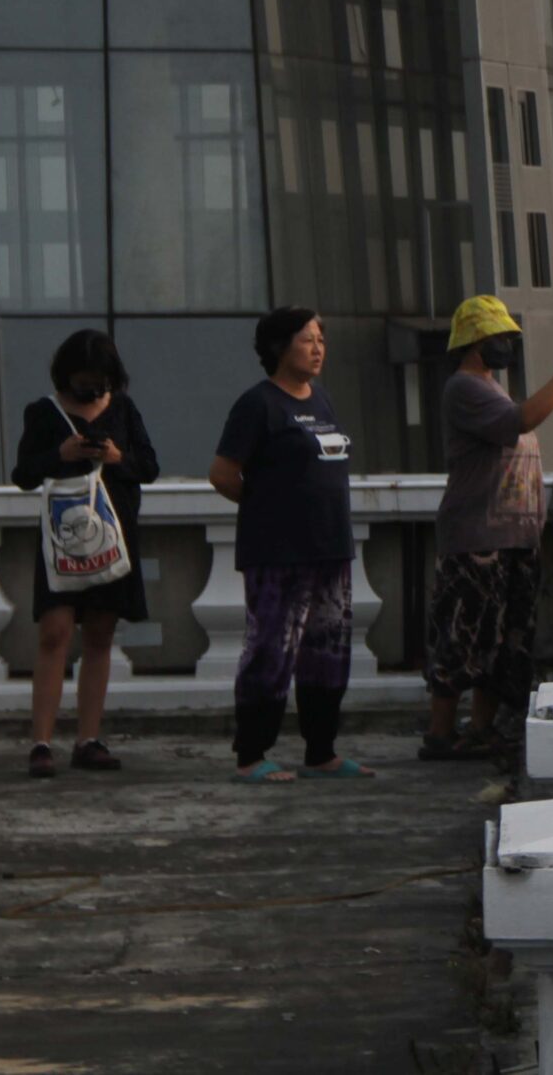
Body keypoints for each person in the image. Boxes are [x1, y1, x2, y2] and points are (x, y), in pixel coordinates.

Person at [420, 297, 553, 760]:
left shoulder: (490, 387)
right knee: (462, 636)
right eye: (499, 337)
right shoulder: (464, 388)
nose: (507, 345)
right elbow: (522, 420)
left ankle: (481, 729)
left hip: (513, 538)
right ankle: (440, 735)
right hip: (477, 538)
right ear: (475, 341)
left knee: (503, 643)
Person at [208, 308, 372, 784]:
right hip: (277, 551)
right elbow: (222, 474)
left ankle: (321, 751)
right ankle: (252, 754)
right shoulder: (258, 404)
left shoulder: (322, 400)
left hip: (330, 546)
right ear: (279, 347)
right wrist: (268, 508)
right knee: (271, 649)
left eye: (321, 339)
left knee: (327, 651)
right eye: (306, 340)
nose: (318, 349)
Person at [9, 330, 159, 778]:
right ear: (66, 374)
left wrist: (115, 457)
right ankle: (41, 743)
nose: (91, 389)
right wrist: (61, 452)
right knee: (54, 632)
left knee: (100, 634)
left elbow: (149, 467)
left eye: (99, 381)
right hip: (63, 540)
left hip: (112, 536)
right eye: (84, 380)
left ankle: (87, 740)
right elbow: (23, 474)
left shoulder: (123, 409)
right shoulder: (44, 412)